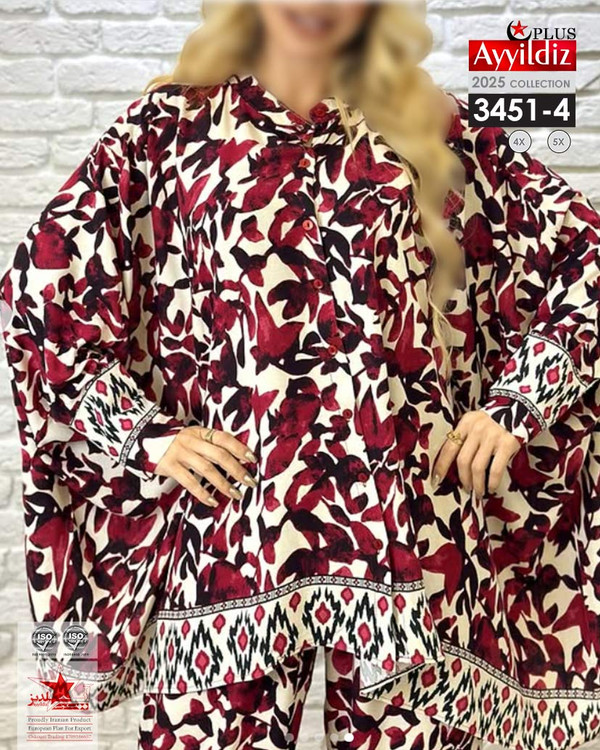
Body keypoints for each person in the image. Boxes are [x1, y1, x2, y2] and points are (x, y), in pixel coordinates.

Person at [0, 2, 599, 749]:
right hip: (230, 528)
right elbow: (42, 291)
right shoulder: (169, 128)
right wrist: (144, 435)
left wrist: (517, 402)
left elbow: (583, 257)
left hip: (411, 531)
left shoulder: (430, 124)